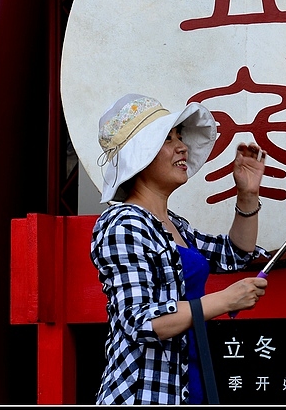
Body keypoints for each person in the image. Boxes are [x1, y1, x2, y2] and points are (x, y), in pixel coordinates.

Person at [90, 93, 269, 405]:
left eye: (180, 136)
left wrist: (247, 194)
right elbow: (142, 321)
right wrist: (225, 300)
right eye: (167, 139)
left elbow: (234, 254)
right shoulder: (122, 224)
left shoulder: (175, 225)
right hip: (144, 394)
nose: (182, 146)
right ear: (140, 156)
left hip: (186, 385)